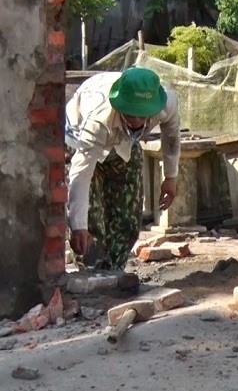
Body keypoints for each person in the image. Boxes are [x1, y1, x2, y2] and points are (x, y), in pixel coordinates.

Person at [65, 68, 180, 269]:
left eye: (141, 115)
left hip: (123, 143)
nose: (136, 120)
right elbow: (81, 174)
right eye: (130, 114)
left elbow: (171, 135)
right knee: (92, 220)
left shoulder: (166, 103)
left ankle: (115, 270)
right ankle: (90, 271)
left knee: (128, 218)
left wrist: (171, 177)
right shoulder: (97, 121)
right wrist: (78, 226)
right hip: (81, 137)